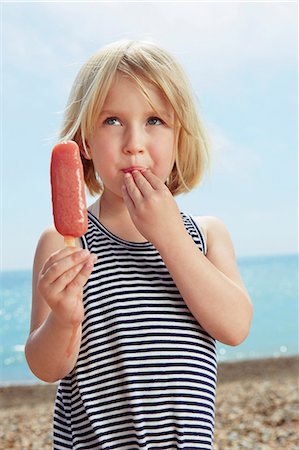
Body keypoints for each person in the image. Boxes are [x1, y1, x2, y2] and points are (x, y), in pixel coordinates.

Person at [25, 40, 253, 450]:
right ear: (86, 144)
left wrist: (168, 235)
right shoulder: (65, 242)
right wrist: (63, 317)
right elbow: (47, 367)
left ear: (180, 138)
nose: (134, 141)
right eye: (112, 120)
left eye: (154, 120)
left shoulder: (207, 235)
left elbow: (235, 327)